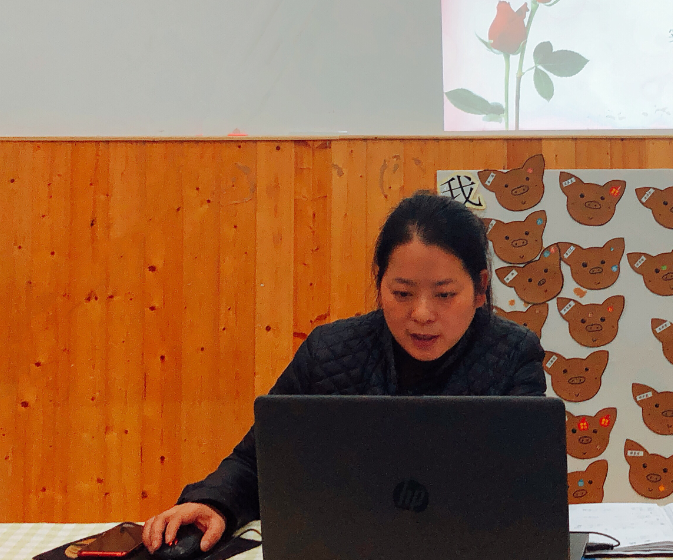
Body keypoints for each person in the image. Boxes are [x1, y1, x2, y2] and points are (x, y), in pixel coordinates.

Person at [142, 191, 546, 554]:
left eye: (445, 294)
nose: (422, 314)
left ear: (479, 288)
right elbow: (258, 459)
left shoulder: (513, 355)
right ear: (380, 283)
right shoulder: (329, 351)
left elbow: (525, 489)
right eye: (402, 293)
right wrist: (212, 503)